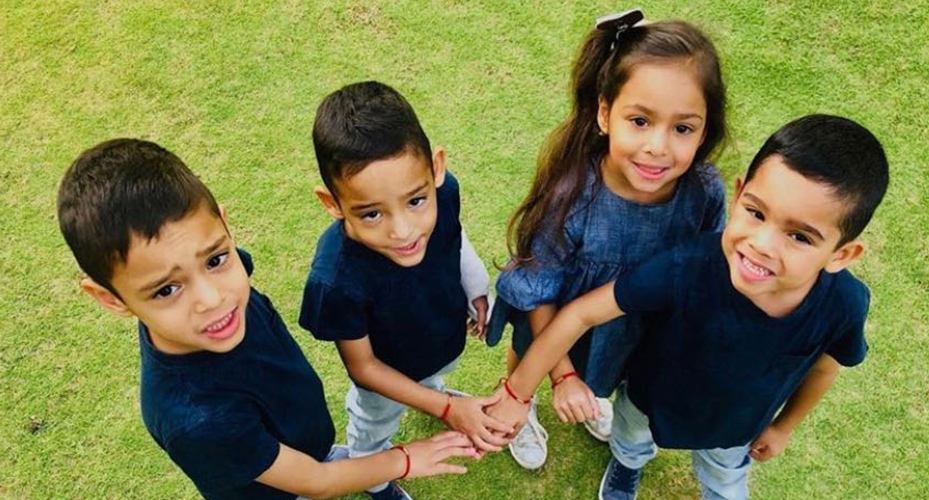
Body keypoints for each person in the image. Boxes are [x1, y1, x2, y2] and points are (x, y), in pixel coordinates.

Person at [488, 115, 889, 500]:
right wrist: (517, 393)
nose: (763, 244)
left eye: (800, 237)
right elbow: (582, 313)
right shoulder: (687, 265)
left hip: (738, 430)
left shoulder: (844, 305)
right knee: (629, 442)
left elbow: (825, 366)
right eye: (755, 212)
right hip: (648, 400)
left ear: (842, 254)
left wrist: (784, 427)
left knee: (725, 485)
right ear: (737, 195)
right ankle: (627, 466)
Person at [56, 139, 477, 500]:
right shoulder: (199, 420)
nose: (213, 298)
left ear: (224, 224)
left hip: (301, 441)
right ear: (110, 299)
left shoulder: (222, 287)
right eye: (167, 290)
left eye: (216, 259)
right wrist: (404, 459)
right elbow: (316, 482)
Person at [486, 10, 729, 470]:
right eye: (640, 121)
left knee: (617, 368)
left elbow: (707, 266)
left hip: (633, 327)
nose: (658, 146)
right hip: (553, 315)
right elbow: (538, 296)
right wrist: (561, 376)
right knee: (525, 361)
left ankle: (593, 391)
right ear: (604, 113)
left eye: (682, 128)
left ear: (704, 129)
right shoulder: (572, 196)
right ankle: (522, 405)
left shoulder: (704, 192)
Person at [299, 81, 510, 500]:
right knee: (373, 425)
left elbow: (454, 236)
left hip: (440, 339)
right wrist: (448, 409)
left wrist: (476, 288)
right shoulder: (336, 280)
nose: (403, 231)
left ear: (436, 169)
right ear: (332, 203)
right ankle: (374, 480)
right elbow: (365, 369)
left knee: (435, 377)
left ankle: (432, 394)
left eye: (416, 201)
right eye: (372, 213)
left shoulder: (444, 194)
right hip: (385, 379)